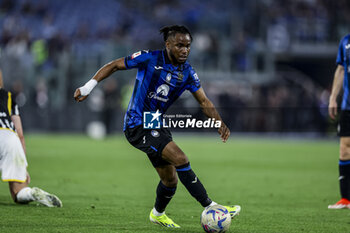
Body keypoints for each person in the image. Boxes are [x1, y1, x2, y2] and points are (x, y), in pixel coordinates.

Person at [74, 25, 240, 227]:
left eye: (188, 46)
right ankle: (212, 207)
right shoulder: (149, 58)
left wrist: (219, 122)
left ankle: (157, 213)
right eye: (179, 45)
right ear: (168, 44)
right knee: (180, 158)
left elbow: (204, 101)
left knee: (170, 180)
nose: (184, 50)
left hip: (155, 122)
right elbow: (115, 65)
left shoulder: (187, 72)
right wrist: (88, 87)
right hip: (137, 124)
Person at [0, 70, 62, 207]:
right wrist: (23, 167)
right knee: (18, 192)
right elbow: (20, 135)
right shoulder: (8, 97)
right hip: (10, 138)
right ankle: (31, 193)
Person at [328, 34, 350, 209]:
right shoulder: (345, 41)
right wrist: (333, 98)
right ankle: (346, 199)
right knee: (344, 148)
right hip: (348, 105)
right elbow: (341, 69)